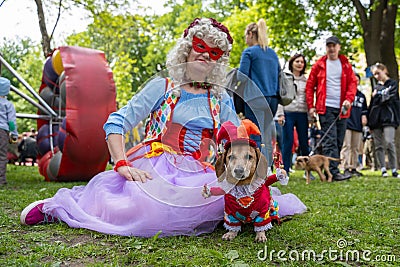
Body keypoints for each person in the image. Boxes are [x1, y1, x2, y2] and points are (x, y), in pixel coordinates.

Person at [20, 18, 306, 237]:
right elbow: (117, 121)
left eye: (215, 52)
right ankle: (55, 208)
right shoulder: (164, 85)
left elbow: (238, 140)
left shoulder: (219, 98)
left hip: (201, 171)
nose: (206, 56)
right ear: (186, 50)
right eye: (201, 47)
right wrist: (121, 163)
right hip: (157, 165)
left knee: (238, 200)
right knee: (148, 211)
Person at [305, 36, 357, 181]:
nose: (331, 48)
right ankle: (333, 173)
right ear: (326, 48)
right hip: (325, 107)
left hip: (342, 108)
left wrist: (349, 99)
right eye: (329, 46)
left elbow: (353, 83)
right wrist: (311, 106)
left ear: (339, 47)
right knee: (330, 140)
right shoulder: (319, 64)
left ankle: (329, 169)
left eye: (334, 46)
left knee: (340, 139)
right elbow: (310, 86)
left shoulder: (345, 64)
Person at [237, 18, 280, 170]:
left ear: (250, 34)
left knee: (255, 133)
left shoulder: (249, 52)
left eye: (245, 36)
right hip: (273, 99)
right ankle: (268, 168)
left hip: (255, 98)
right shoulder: (272, 54)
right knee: (266, 134)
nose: (245, 39)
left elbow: (241, 77)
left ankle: (256, 169)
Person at [276, 54, 310, 175]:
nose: (300, 64)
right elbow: (280, 95)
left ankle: (308, 171)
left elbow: (310, 97)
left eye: (302, 62)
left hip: (302, 113)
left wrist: (311, 117)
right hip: (288, 112)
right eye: (297, 61)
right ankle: (285, 170)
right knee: (288, 141)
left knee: (304, 142)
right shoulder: (285, 78)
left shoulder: (307, 80)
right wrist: (280, 114)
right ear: (292, 63)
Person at [368, 63, 400, 178]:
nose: (377, 76)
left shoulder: (393, 84)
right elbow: (372, 105)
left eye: (378, 73)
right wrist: (369, 122)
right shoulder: (376, 87)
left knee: (389, 142)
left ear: (384, 70)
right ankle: (382, 168)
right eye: (374, 75)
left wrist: (377, 96)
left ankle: (394, 169)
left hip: (389, 118)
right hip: (376, 120)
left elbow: (388, 98)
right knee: (378, 145)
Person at [340, 73, 368, 177]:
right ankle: (346, 167)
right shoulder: (345, 94)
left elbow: (365, 110)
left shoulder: (361, 96)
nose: (355, 82)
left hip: (358, 125)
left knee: (356, 147)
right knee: (346, 146)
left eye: (357, 80)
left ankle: (354, 167)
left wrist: (364, 117)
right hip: (346, 123)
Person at [0, 77, 18, 185]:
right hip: (2, 131)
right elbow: (11, 122)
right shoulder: (8, 104)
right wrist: (14, 134)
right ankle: (1, 180)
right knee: (2, 156)